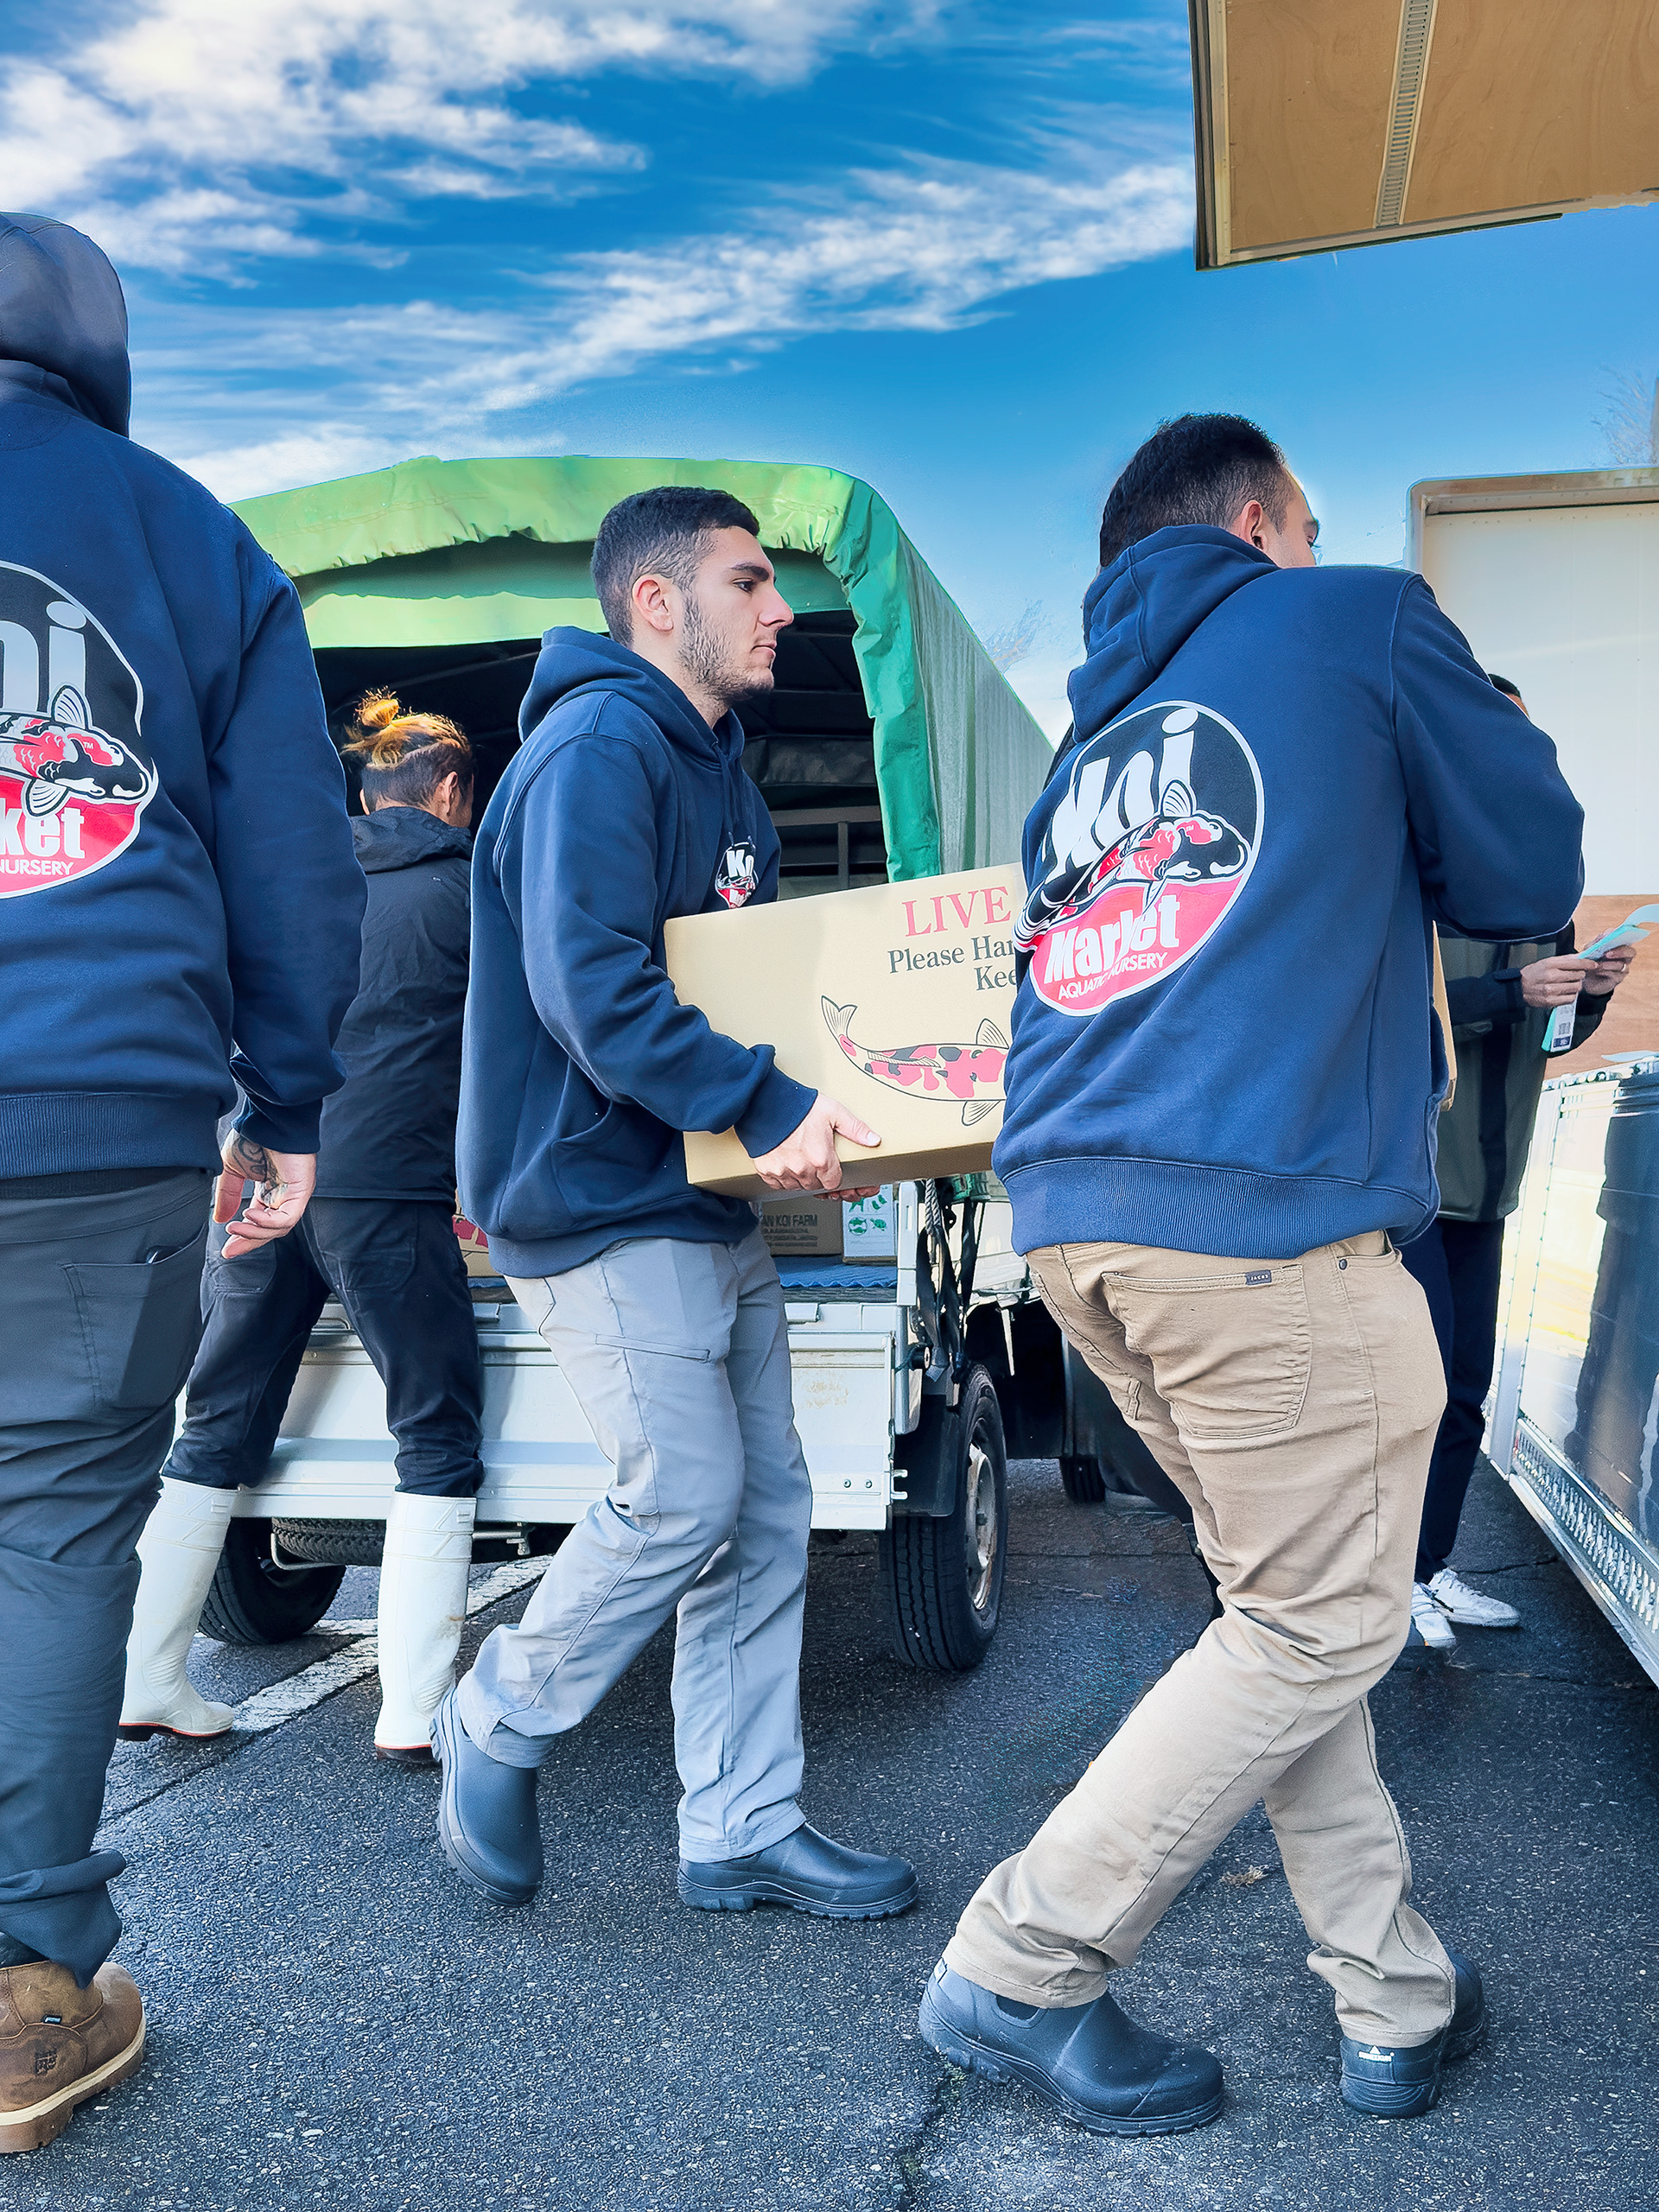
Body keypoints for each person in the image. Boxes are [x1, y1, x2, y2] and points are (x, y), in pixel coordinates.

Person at [917, 414, 1586, 2131]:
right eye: (1310, 519)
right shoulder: (1355, 614)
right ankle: (1025, 1960)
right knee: (1316, 1618)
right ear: (1267, 522)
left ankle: (1393, 1992)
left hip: (1079, 1227)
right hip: (1266, 1226)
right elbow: (1527, 865)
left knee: (1288, 1611)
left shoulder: (1091, 747)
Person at [0, 214, 364, 2152]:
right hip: (91, 1102)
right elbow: (297, 853)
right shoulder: (187, 535)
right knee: (52, 1525)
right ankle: (25, 1986)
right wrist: (286, 1097)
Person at [437, 485, 917, 1922]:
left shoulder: (721, 770)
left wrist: (839, 1100)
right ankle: (500, 1713)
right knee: (686, 1493)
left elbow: (747, 988)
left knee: (770, 1513)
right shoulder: (595, 749)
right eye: (752, 581)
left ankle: (740, 1825)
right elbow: (598, 996)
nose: (782, 610)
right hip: (591, 1194)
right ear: (659, 602)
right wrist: (773, 1106)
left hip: (697, 1196)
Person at [119, 692, 486, 1762]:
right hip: (385, 1187)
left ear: (364, 795)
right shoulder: (472, 891)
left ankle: (149, 1676)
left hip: (268, 1176)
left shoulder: (293, 890)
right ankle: (414, 1712)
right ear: (454, 792)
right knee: (435, 1423)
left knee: (219, 1415)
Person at [1402, 671, 1634, 1651]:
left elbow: (1551, 1043)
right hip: (1411, 1183)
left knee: (1462, 1387)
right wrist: (1512, 990)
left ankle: (1428, 1569)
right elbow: (1394, 1028)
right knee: (1403, 1400)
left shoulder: (1546, 892)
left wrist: (1591, 994)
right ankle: (1374, 1589)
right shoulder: (1407, 870)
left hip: (1494, 1184)